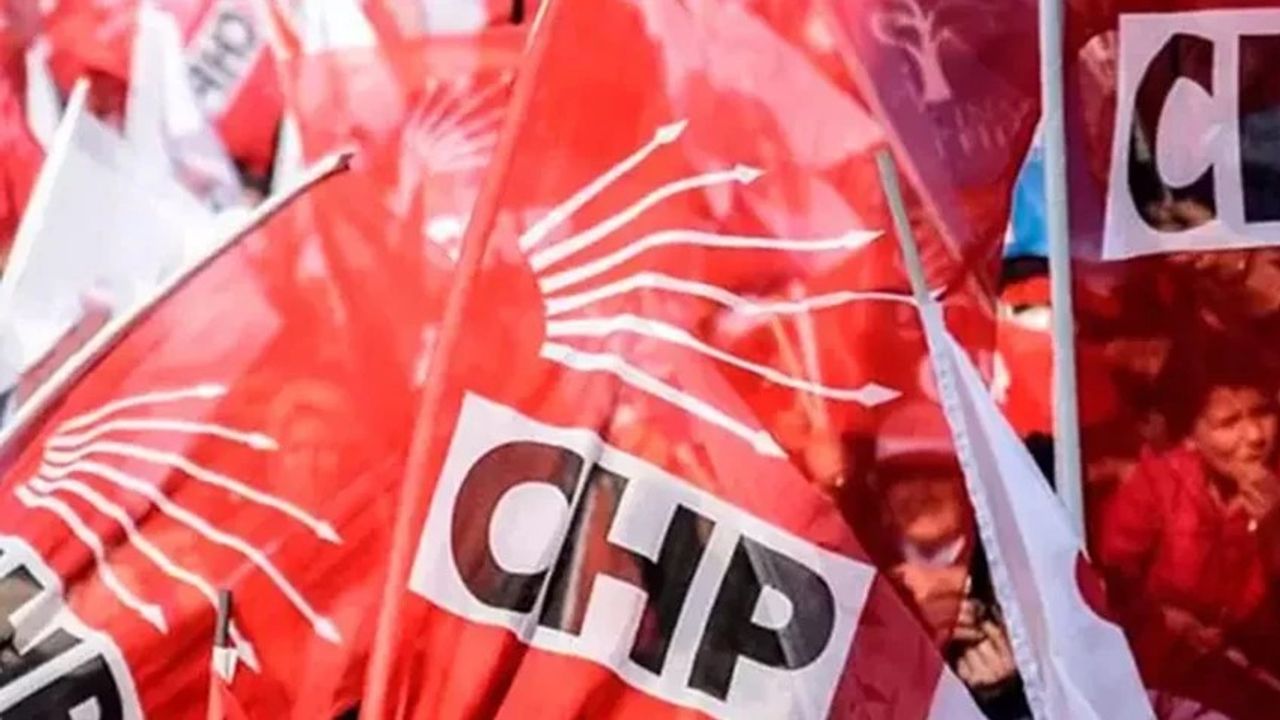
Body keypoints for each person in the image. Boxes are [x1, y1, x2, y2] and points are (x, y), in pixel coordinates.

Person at [1097, 348, 1280, 719]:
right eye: (1228, 423)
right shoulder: (1157, 484)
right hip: (1162, 675)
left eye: (1263, 413)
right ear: (1191, 435)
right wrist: (1160, 617)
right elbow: (1109, 581)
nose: (1255, 436)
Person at [860, 401, 1031, 719]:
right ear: (881, 493)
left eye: (937, 473)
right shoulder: (856, 577)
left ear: (968, 486)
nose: (921, 491)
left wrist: (1006, 692)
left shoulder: (1020, 579)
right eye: (903, 476)